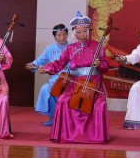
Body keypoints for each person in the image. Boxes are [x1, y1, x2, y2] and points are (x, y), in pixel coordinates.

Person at [38, 11, 109, 144]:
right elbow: (59, 63)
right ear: (74, 33)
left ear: (88, 31)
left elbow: (106, 66)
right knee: (63, 101)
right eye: (79, 32)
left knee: (98, 104)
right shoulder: (70, 48)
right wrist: (47, 68)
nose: (82, 35)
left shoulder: (97, 46)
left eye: (84, 31)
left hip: (94, 83)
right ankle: (66, 135)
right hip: (75, 84)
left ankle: (94, 136)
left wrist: (100, 64)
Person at [25, 24, 70, 126]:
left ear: (67, 34)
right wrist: (34, 64)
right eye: (59, 35)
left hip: (70, 77)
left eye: (64, 34)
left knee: (57, 90)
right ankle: (54, 116)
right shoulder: (50, 48)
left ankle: (64, 119)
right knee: (46, 89)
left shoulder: (72, 47)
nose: (62, 37)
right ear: (54, 36)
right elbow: (41, 60)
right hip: (55, 78)